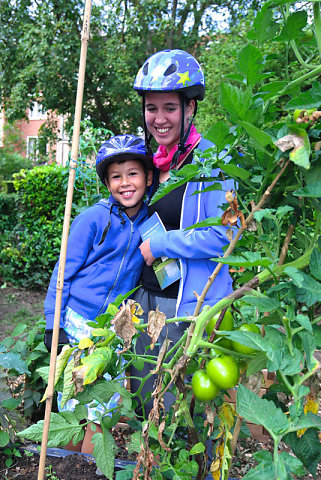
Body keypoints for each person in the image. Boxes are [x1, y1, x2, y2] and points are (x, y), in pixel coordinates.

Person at [129, 49, 234, 416]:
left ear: (190, 109)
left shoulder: (212, 161)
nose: (159, 118)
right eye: (151, 108)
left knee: (181, 413)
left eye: (169, 108)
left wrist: (162, 243)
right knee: (147, 404)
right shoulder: (150, 162)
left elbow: (224, 235)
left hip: (187, 306)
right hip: (146, 300)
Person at [43, 134, 153, 423]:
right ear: (107, 184)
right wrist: (53, 324)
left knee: (105, 407)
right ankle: (70, 464)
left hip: (113, 327)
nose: (125, 183)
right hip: (78, 322)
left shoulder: (150, 223)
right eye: (116, 177)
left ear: (148, 177)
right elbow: (62, 272)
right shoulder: (92, 219)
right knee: (75, 404)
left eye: (133, 174)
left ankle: (91, 468)